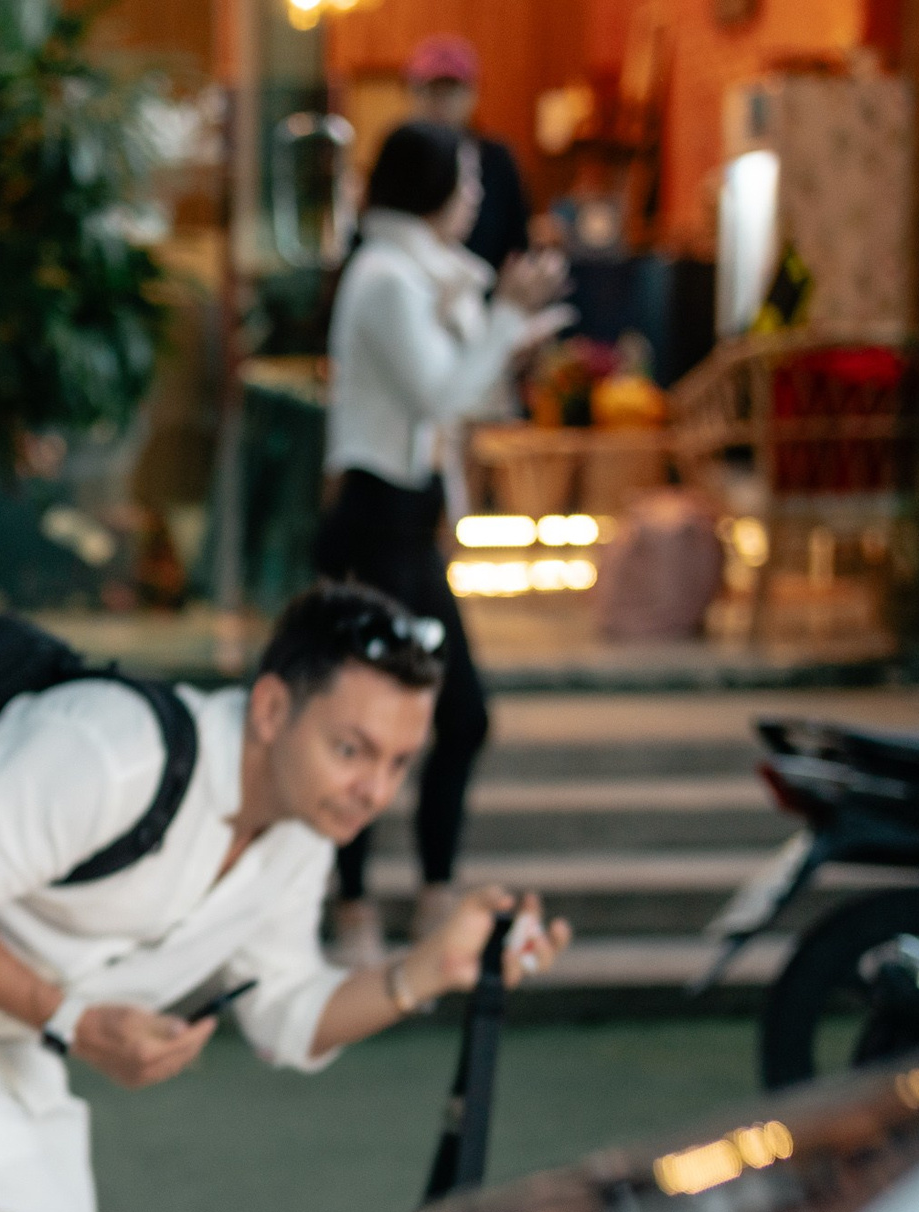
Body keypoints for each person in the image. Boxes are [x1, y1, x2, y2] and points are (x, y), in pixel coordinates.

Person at [0, 583, 572, 1212]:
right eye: (351, 748)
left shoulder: (300, 835)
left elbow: (287, 1015)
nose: (376, 790)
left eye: (400, 761)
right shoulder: (112, 748)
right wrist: (77, 1022)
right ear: (270, 710)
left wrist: (429, 970)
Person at [318, 120, 570, 964]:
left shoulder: (430, 279)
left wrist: (510, 330)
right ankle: (355, 904)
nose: (474, 196)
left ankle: (427, 893)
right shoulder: (388, 278)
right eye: (463, 180)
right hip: (377, 523)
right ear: (425, 187)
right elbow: (441, 391)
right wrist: (506, 318)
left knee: (457, 717)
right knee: (369, 721)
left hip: (410, 524)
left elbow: (469, 395)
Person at [405, 35, 531, 275]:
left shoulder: (497, 159)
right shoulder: (400, 161)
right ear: (412, 92)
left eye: (450, 91)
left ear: (472, 93)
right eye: (431, 90)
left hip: (484, 296)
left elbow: (517, 241)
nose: (440, 102)